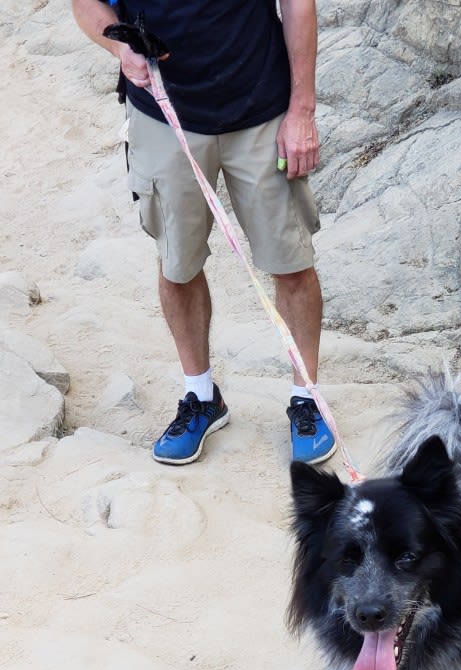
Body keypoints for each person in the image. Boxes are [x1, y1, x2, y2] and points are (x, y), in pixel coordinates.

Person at [71, 0, 336, 466]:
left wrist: (302, 111)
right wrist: (118, 48)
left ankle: (307, 397)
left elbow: (297, 4)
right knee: (178, 264)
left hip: (262, 107)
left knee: (292, 262)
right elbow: (85, 3)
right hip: (163, 110)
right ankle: (201, 396)